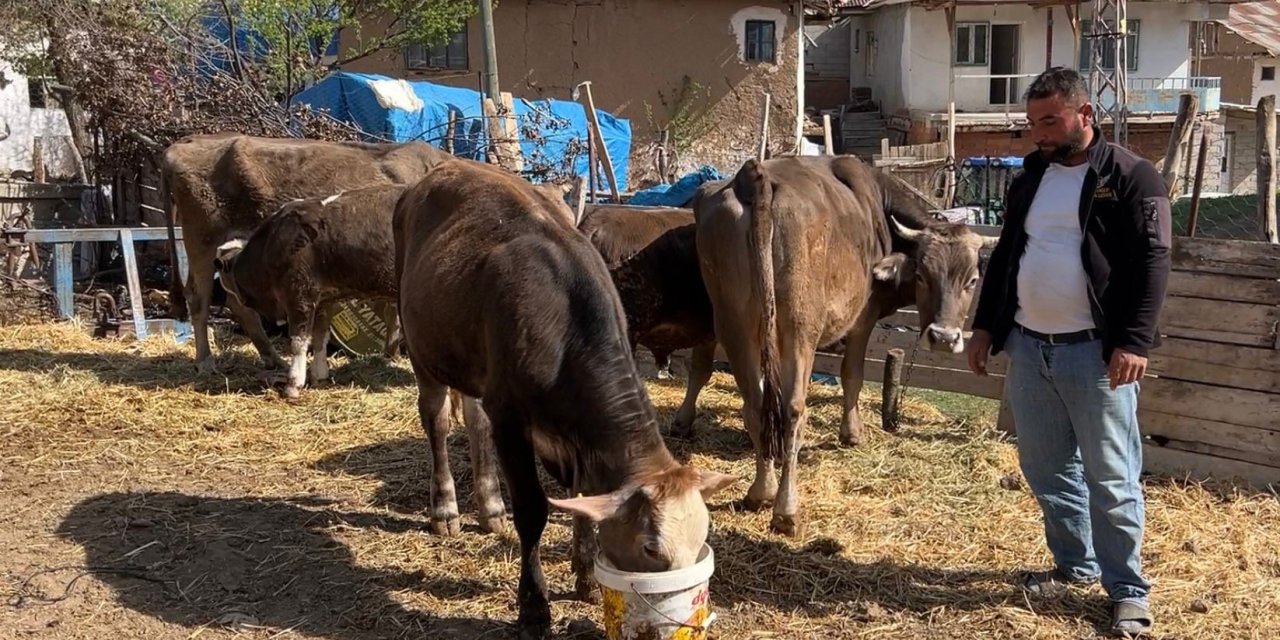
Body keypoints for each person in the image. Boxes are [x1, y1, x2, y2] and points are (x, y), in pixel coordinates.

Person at [967, 67, 1171, 637]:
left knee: (1111, 476)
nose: (1040, 134)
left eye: (1050, 120)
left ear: (1086, 114)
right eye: (1033, 123)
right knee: (1047, 469)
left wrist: (1134, 340)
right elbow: (1008, 253)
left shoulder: (1133, 176)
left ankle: (1127, 590)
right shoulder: (1032, 173)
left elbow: (1155, 263)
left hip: (1094, 354)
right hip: (1031, 348)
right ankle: (1074, 566)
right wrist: (986, 326)